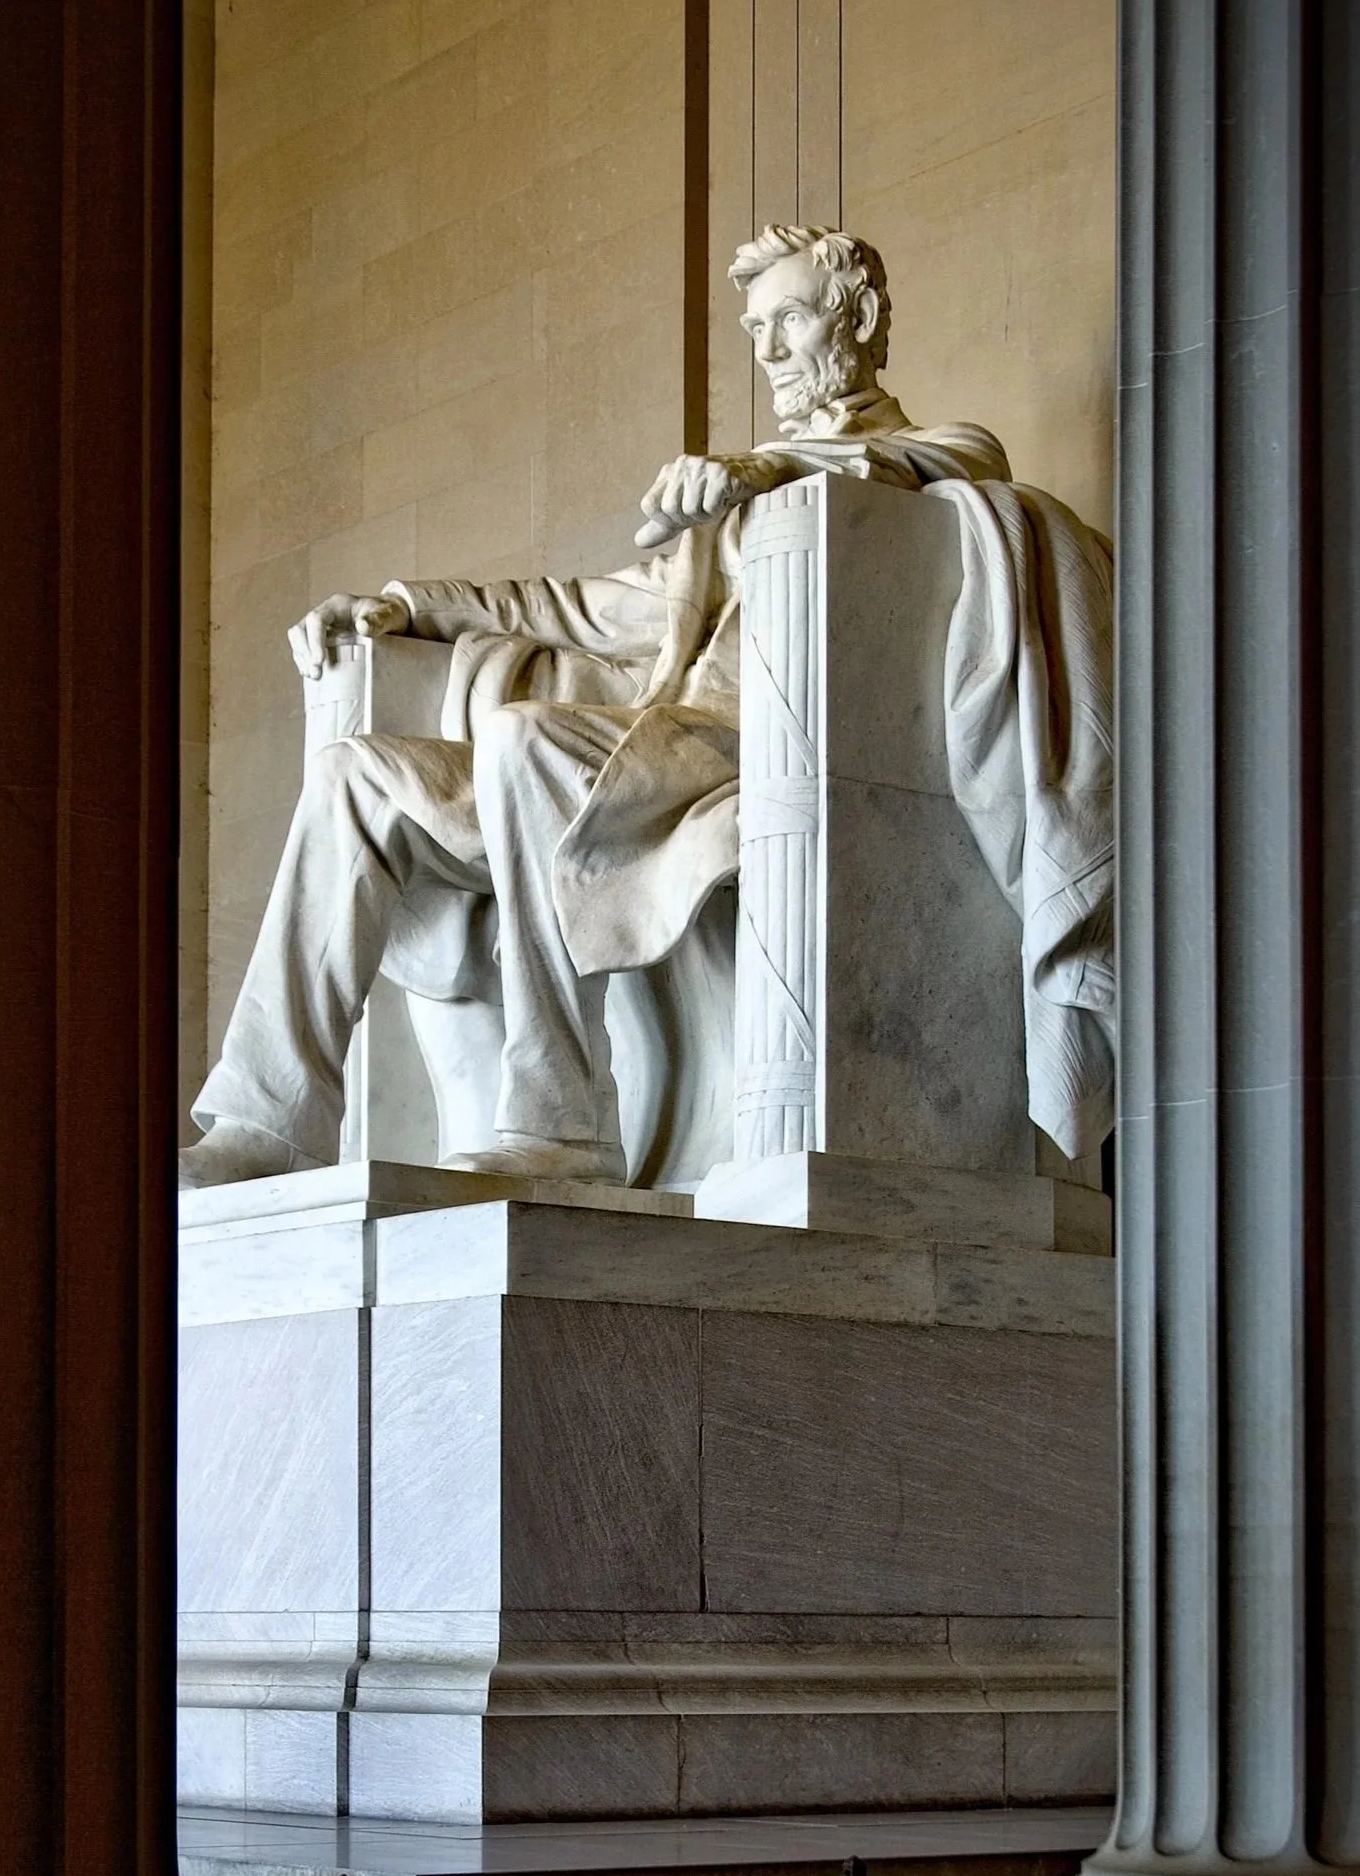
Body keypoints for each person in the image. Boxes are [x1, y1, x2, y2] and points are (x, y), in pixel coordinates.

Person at [180, 224, 1112, 1189]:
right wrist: (406, 604)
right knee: (354, 775)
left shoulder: (914, 465)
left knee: (522, 741)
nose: (769, 349)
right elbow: (580, 608)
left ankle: (561, 1122)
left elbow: (958, 461)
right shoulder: (736, 512)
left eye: (788, 318)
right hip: (637, 752)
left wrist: (765, 473)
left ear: (861, 317)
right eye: (756, 327)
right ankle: (271, 1116)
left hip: (748, 750)